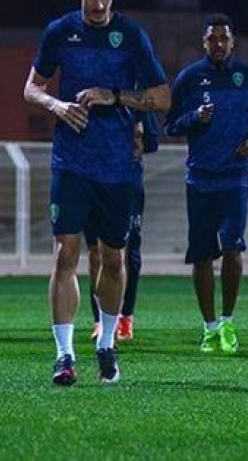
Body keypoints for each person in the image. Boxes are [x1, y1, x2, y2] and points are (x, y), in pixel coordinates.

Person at [23, 0, 170, 385]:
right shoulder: (60, 32)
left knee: (112, 257)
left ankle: (106, 344)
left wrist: (115, 95)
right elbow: (31, 87)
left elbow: (162, 98)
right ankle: (65, 355)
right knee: (65, 254)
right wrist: (56, 105)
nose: (99, 6)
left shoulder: (131, 35)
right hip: (71, 161)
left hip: (117, 166)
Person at [166, 14, 248, 353]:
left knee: (232, 249)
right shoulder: (189, 79)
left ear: (233, 42)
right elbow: (170, 124)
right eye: (213, 39)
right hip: (199, 179)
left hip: (235, 177)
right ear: (204, 42)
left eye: (224, 39)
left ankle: (227, 321)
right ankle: (209, 327)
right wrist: (195, 117)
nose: (219, 44)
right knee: (201, 256)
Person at [86, 113, 160, 342]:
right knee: (95, 251)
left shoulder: (135, 102)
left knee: (127, 251)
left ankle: (125, 315)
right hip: (92, 180)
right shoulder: (90, 100)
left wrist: (136, 139)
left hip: (127, 183)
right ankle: (100, 319)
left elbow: (152, 140)